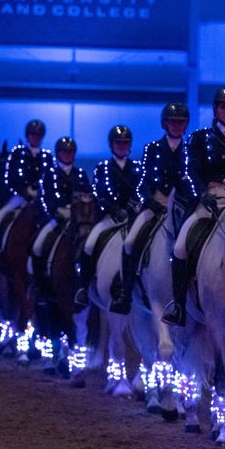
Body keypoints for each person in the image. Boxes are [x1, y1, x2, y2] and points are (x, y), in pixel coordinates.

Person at [163, 87, 225, 325]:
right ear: (216, 110)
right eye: (223, 106)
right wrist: (200, 194)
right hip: (208, 200)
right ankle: (178, 305)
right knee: (180, 246)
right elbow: (190, 172)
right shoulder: (199, 138)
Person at [110, 102, 191, 314]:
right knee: (129, 242)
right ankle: (125, 293)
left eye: (181, 122)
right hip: (157, 205)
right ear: (165, 124)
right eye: (173, 122)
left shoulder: (190, 149)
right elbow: (143, 182)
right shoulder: (153, 149)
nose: (177, 126)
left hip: (182, 207)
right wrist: (150, 199)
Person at [74, 125, 141, 309]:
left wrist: (131, 208)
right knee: (89, 245)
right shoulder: (102, 168)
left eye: (125, 143)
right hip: (108, 218)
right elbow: (100, 195)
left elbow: (140, 193)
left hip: (132, 217)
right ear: (111, 145)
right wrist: (114, 210)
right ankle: (83, 289)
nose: (122, 146)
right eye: (118, 143)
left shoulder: (137, 168)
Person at [0, 119, 52, 264]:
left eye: (38, 135)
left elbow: (51, 179)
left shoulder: (47, 156)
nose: (35, 137)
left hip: (40, 199)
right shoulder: (17, 153)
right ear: (28, 136)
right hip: (20, 197)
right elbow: (10, 177)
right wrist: (24, 191)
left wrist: (41, 192)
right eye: (33, 135)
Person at [31, 136, 92, 287]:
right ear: (58, 153)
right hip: (56, 218)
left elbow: (88, 196)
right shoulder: (50, 174)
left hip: (77, 219)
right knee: (38, 246)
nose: (68, 154)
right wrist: (57, 212)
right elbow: (44, 198)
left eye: (71, 151)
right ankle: (39, 286)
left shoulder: (80, 174)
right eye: (64, 151)